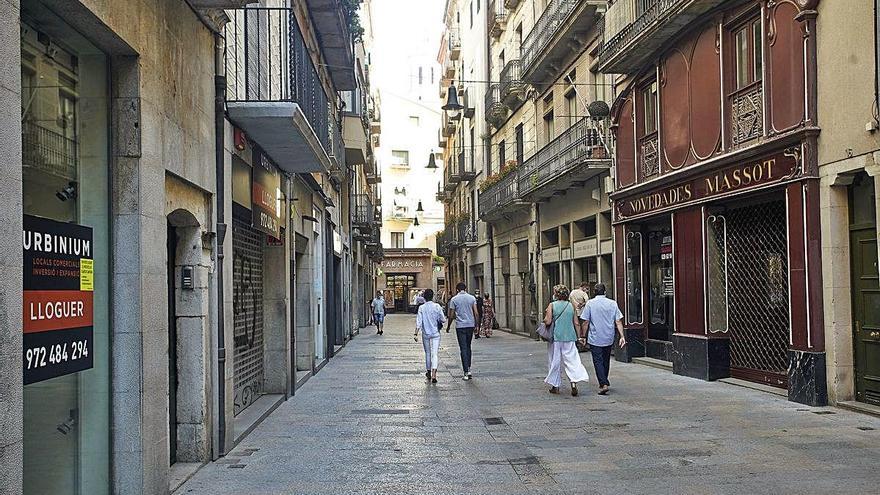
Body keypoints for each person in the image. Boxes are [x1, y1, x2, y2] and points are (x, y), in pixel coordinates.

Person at [579, 283, 626, 395]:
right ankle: (604, 380)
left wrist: (583, 336)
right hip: (609, 336)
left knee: (598, 361)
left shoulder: (590, 304)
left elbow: (585, 321)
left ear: (594, 292)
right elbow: (618, 321)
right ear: (605, 292)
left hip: (595, 337)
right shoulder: (612, 303)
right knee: (606, 360)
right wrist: (622, 336)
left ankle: (603, 383)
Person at [543, 284, 590, 396]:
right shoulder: (571, 305)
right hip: (570, 336)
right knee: (572, 360)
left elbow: (548, 321)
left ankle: (555, 385)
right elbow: (576, 323)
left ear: (556, 294)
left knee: (555, 361)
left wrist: (545, 317)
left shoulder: (552, 305)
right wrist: (580, 337)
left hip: (556, 337)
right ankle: (573, 383)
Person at [446, 282, 479, 380]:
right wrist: (477, 326)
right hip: (470, 325)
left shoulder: (454, 299)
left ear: (457, 289)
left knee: (463, 348)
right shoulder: (472, 298)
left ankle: (465, 371)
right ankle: (469, 368)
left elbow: (451, 315)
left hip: (460, 326)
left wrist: (448, 327)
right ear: (465, 288)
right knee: (468, 347)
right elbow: (476, 313)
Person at [414, 289, 446, 384]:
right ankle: (434, 374)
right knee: (435, 353)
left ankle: (428, 371)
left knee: (428, 353)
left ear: (424, 297)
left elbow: (419, 322)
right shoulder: (437, 306)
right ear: (432, 296)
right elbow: (443, 319)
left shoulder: (422, 308)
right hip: (436, 333)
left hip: (426, 333)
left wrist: (415, 333)